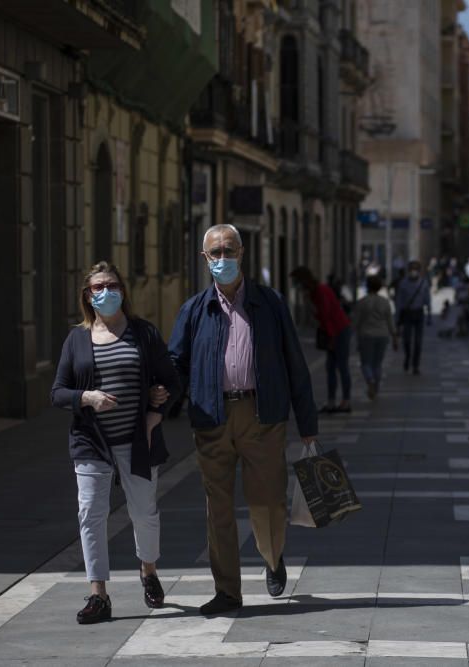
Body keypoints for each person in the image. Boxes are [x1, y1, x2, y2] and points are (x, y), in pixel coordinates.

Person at [168, 224, 317, 614]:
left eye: (228, 251)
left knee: (267, 500)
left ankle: (272, 557)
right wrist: (158, 404)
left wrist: (308, 425)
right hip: (212, 418)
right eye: (214, 254)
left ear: (242, 253)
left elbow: (294, 364)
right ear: (204, 259)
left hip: (262, 415)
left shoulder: (270, 304)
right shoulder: (194, 310)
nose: (222, 260)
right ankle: (227, 591)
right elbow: (175, 365)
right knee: (217, 507)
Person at [51, 261, 182, 624]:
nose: (105, 292)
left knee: (144, 513)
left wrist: (156, 412)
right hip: (91, 442)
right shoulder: (76, 338)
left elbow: (171, 380)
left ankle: (148, 570)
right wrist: (86, 398)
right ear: (87, 296)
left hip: (137, 440)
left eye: (111, 285)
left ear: (123, 291)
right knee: (91, 516)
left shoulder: (143, 333)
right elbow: (58, 392)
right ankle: (99, 595)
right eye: (97, 287)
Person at [292, 266, 353, 414]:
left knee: (342, 366)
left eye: (296, 282)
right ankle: (331, 401)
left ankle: (346, 401)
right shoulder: (313, 292)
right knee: (330, 367)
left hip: (339, 330)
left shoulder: (320, 291)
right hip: (333, 330)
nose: (296, 285)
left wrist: (331, 338)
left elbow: (326, 316)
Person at [352, 275, 398, 399]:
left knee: (365, 363)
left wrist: (351, 334)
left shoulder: (362, 302)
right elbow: (390, 321)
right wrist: (394, 337)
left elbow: (355, 321)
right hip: (382, 335)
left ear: (367, 286)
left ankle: (370, 380)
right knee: (377, 364)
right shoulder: (385, 302)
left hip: (366, 335)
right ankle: (375, 387)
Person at [394, 260, 432, 375]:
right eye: (411, 269)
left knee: (418, 342)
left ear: (419, 271)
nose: (413, 272)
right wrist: (397, 318)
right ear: (408, 270)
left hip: (419, 313)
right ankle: (407, 357)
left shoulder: (423, 283)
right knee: (407, 340)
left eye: (415, 269)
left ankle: (415, 365)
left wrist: (429, 314)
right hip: (407, 314)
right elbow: (399, 302)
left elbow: (427, 299)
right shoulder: (403, 284)